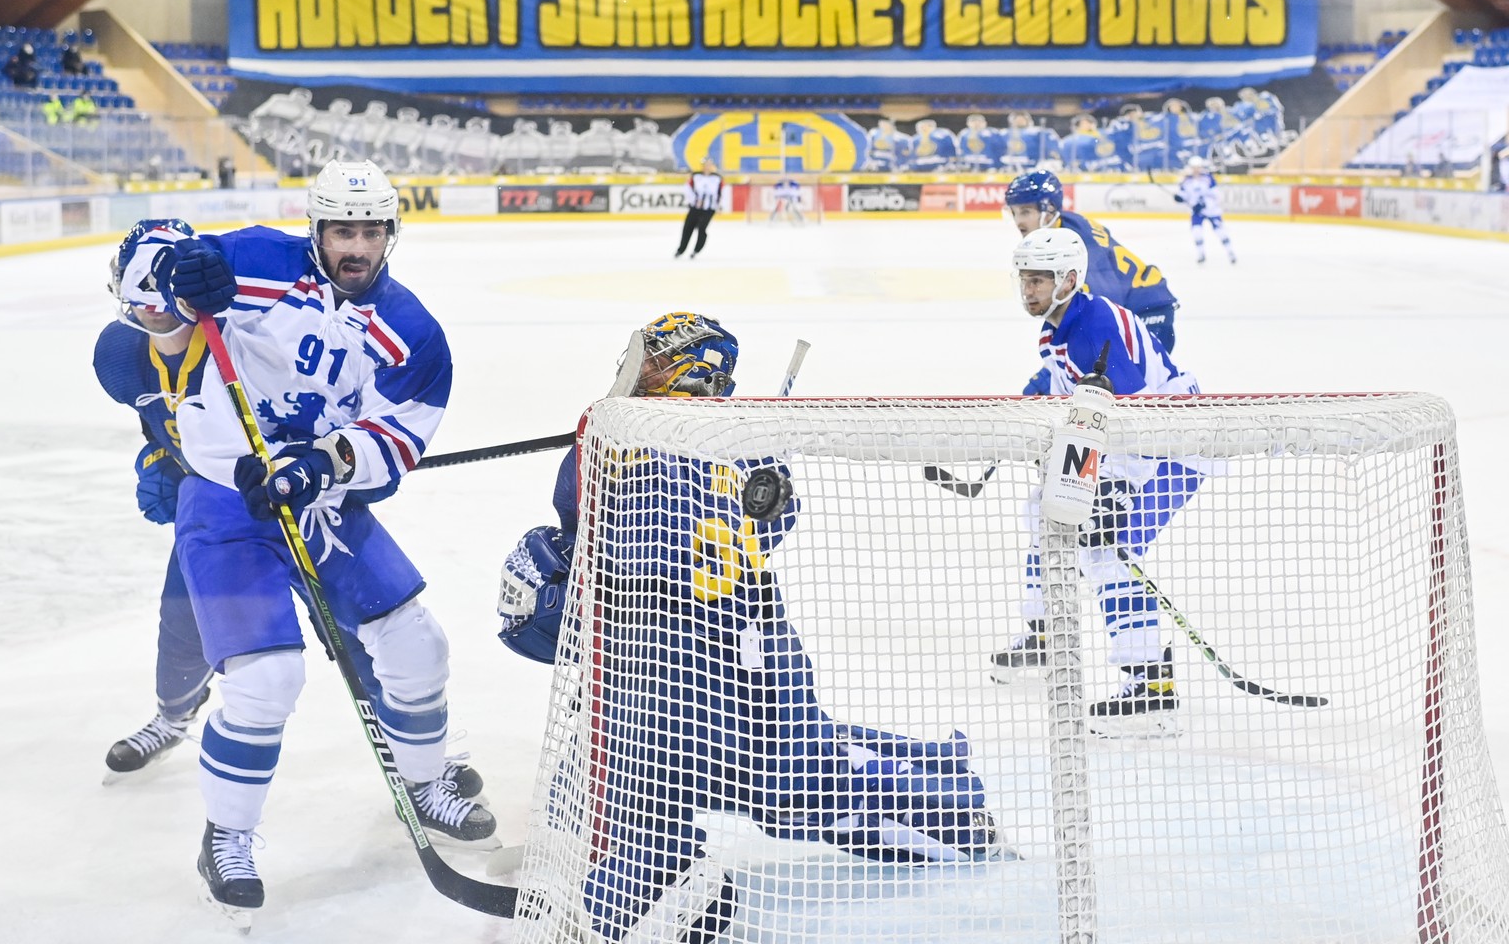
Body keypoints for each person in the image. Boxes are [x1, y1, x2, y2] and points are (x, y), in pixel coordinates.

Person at [498, 313, 1005, 942]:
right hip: (719, 641)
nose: (639, 369)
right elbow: (757, 528)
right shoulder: (731, 440)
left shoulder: (632, 437)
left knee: (793, 790)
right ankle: (936, 767)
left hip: (719, 652)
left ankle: (957, 816)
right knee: (660, 775)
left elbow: (604, 535)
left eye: (656, 358)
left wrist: (551, 585)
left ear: (693, 371)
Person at [150, 158, 494, 919]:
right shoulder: (256, 260)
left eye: (372, 231)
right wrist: (184, 283)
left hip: (322, 504)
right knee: (266, 680)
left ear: (391, 235)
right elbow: (171, 301)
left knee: (416, 645)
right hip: (226, 506)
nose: (358, 247)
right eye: (343, 230)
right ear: (317, 230)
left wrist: (327, 462)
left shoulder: (412, 332)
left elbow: (398, 439)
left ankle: (425, 782)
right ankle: (226, 835)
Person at [992, 227, 1203, 738]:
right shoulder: (1057, 326)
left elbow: (1136, 421)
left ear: (1068, 279)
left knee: (1111, 552)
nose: (1029, 290)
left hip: (1178, 448)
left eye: (1039, 280)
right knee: (1045, 509)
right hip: (1126, 450)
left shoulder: (1094, 326)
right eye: (1025, 279)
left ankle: (1152, 688)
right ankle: (1045, 629)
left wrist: (1115, 490)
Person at [93, 220, 214, 779]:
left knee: (359, 621)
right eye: (137, 288)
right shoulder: (121, 355)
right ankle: (173, 715)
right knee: (181, 616)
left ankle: (416, 749)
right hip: (209, 512)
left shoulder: (241, 343)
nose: (153, 305)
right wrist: (161, 458)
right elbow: (155, 420)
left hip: (290, 501)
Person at [1004, 168, 1181, 354]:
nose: (1018, 221)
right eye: (1014, 213)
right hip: (1138, 308)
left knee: (1120, 377)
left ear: (1049, 211)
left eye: (1025, 212)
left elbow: (1105, 306)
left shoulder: (1077, 243)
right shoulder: (1066, 225)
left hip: (1148, 312)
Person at [1174, 156, 1236, 264]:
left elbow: (1216, 195)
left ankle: (1230, 253)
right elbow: (1184, 195)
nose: (1196, 169)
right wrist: (1179, 197)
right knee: (1197, 232)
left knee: (1220, 232)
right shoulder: (1186, 180)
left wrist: (1204, 204)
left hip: (1212, 211)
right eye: (1193, 167)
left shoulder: (1208, 179)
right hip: (1196, 212)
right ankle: (1201, 254)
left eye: (1197, 167)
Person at [675, 158, 723, 259]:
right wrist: (694, 200)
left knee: (702, 228)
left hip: (709, 208)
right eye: (705, 164)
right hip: (695, 207)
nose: (707, 167)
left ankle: (696, 250)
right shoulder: (696, 176)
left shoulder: (717, 178)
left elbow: (722, 192)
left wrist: (720, 205)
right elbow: (688, 188)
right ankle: (681, 250)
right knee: (688, 228)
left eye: (709, 164)